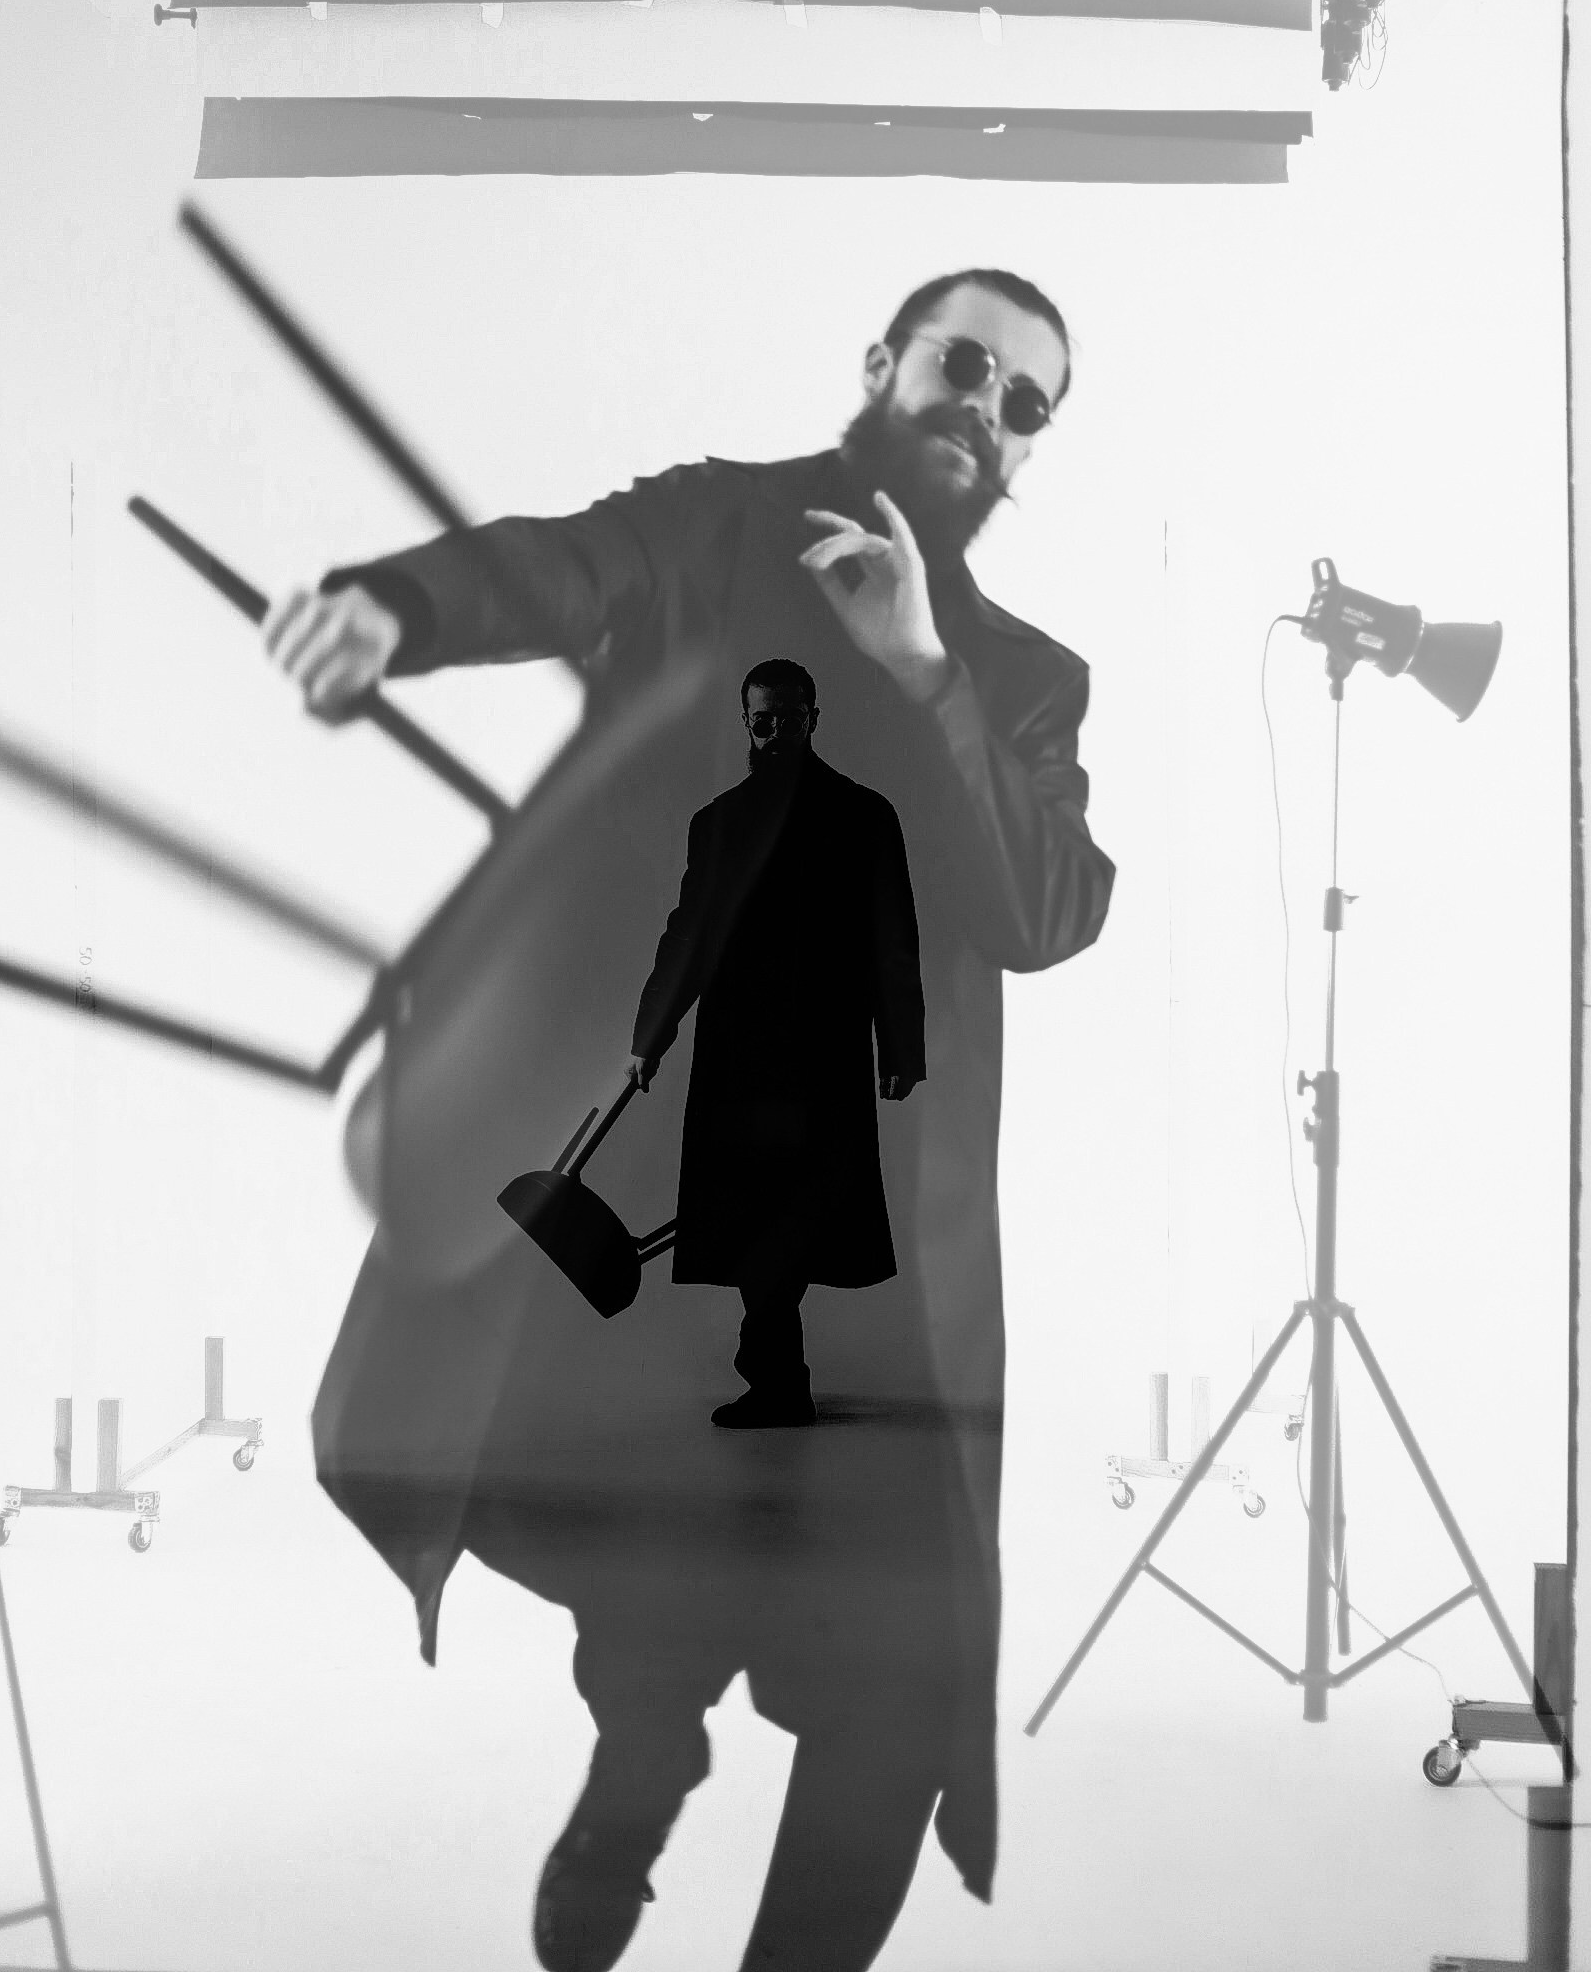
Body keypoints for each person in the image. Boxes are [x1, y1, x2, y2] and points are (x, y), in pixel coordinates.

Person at [266, 266, 1116, 1954]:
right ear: (884, 361)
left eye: (1026, 402)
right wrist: (397, 611)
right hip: (669, 1228)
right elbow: (557, 568)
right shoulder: (718, 528)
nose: (985, 409)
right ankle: (641, 1764)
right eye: (963, 363)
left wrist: (921, 666)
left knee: (898, 1679)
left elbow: (1041, 909)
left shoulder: (1022, 679)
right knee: (661, 1593)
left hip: (879, 1271)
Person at [627, 657, 926, 1427]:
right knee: (754, 1215)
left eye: (790, 718)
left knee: (792, 1215)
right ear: (746, 722)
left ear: (813, 718)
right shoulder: (720, 823)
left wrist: (900, 1049)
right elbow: (688, 936)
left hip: (824, 1055)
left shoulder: (863, 816)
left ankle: (777, 1382)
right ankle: (777, 1380)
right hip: (739, 1055)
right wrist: (651, 1035)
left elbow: (892, 938)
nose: (777, 733)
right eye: (763, 720)